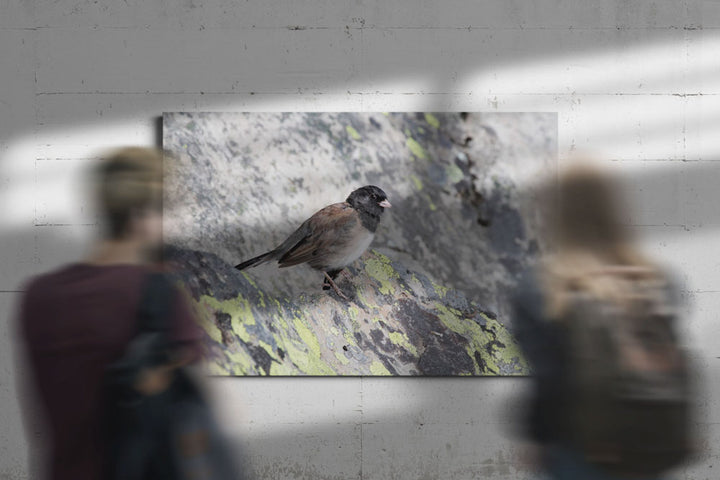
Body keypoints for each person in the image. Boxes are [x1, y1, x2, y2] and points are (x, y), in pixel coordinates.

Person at [16, 147, 202, 480]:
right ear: (139, 215)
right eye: (170, 209)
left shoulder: (38, 295)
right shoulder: (157, 294)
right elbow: (203, 424)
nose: (180, 222)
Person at [512, 162, 693, 480]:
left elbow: (550, 380)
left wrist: (538, 437)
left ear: (554, 213)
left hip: (581, 449)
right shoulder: (657, 279)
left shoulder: (544, 285)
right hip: (650, 444)